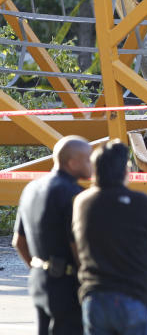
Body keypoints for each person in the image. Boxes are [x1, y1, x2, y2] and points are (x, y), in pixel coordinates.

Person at [72, 140, 147, 335]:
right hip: (133, 296)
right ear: (126, 171)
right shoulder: (140, 203)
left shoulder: (82, 203)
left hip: (95, 296)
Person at [12, 135, 92, 335]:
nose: (91, 164)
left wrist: (39, 267)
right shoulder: (75, 195)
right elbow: (78, 246)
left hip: (39, 280)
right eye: (87, 159)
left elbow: (18, 241)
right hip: (67, 285)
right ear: (72, 163)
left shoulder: (31, 188)